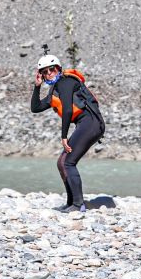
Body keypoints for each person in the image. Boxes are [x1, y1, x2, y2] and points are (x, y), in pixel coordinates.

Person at [30, 54, 105, 213]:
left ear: (58, 68)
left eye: (52, 69)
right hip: (86, 124)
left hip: (91, 122)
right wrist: (37, 87)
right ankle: (71, 203)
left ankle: (78, 205)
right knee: (62, 162)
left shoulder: (65, 82)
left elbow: (68, 110)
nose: (49, 73)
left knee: (68, 162)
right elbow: (35, 108)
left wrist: (64, 136)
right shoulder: (54, 91)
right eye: (45, 72)